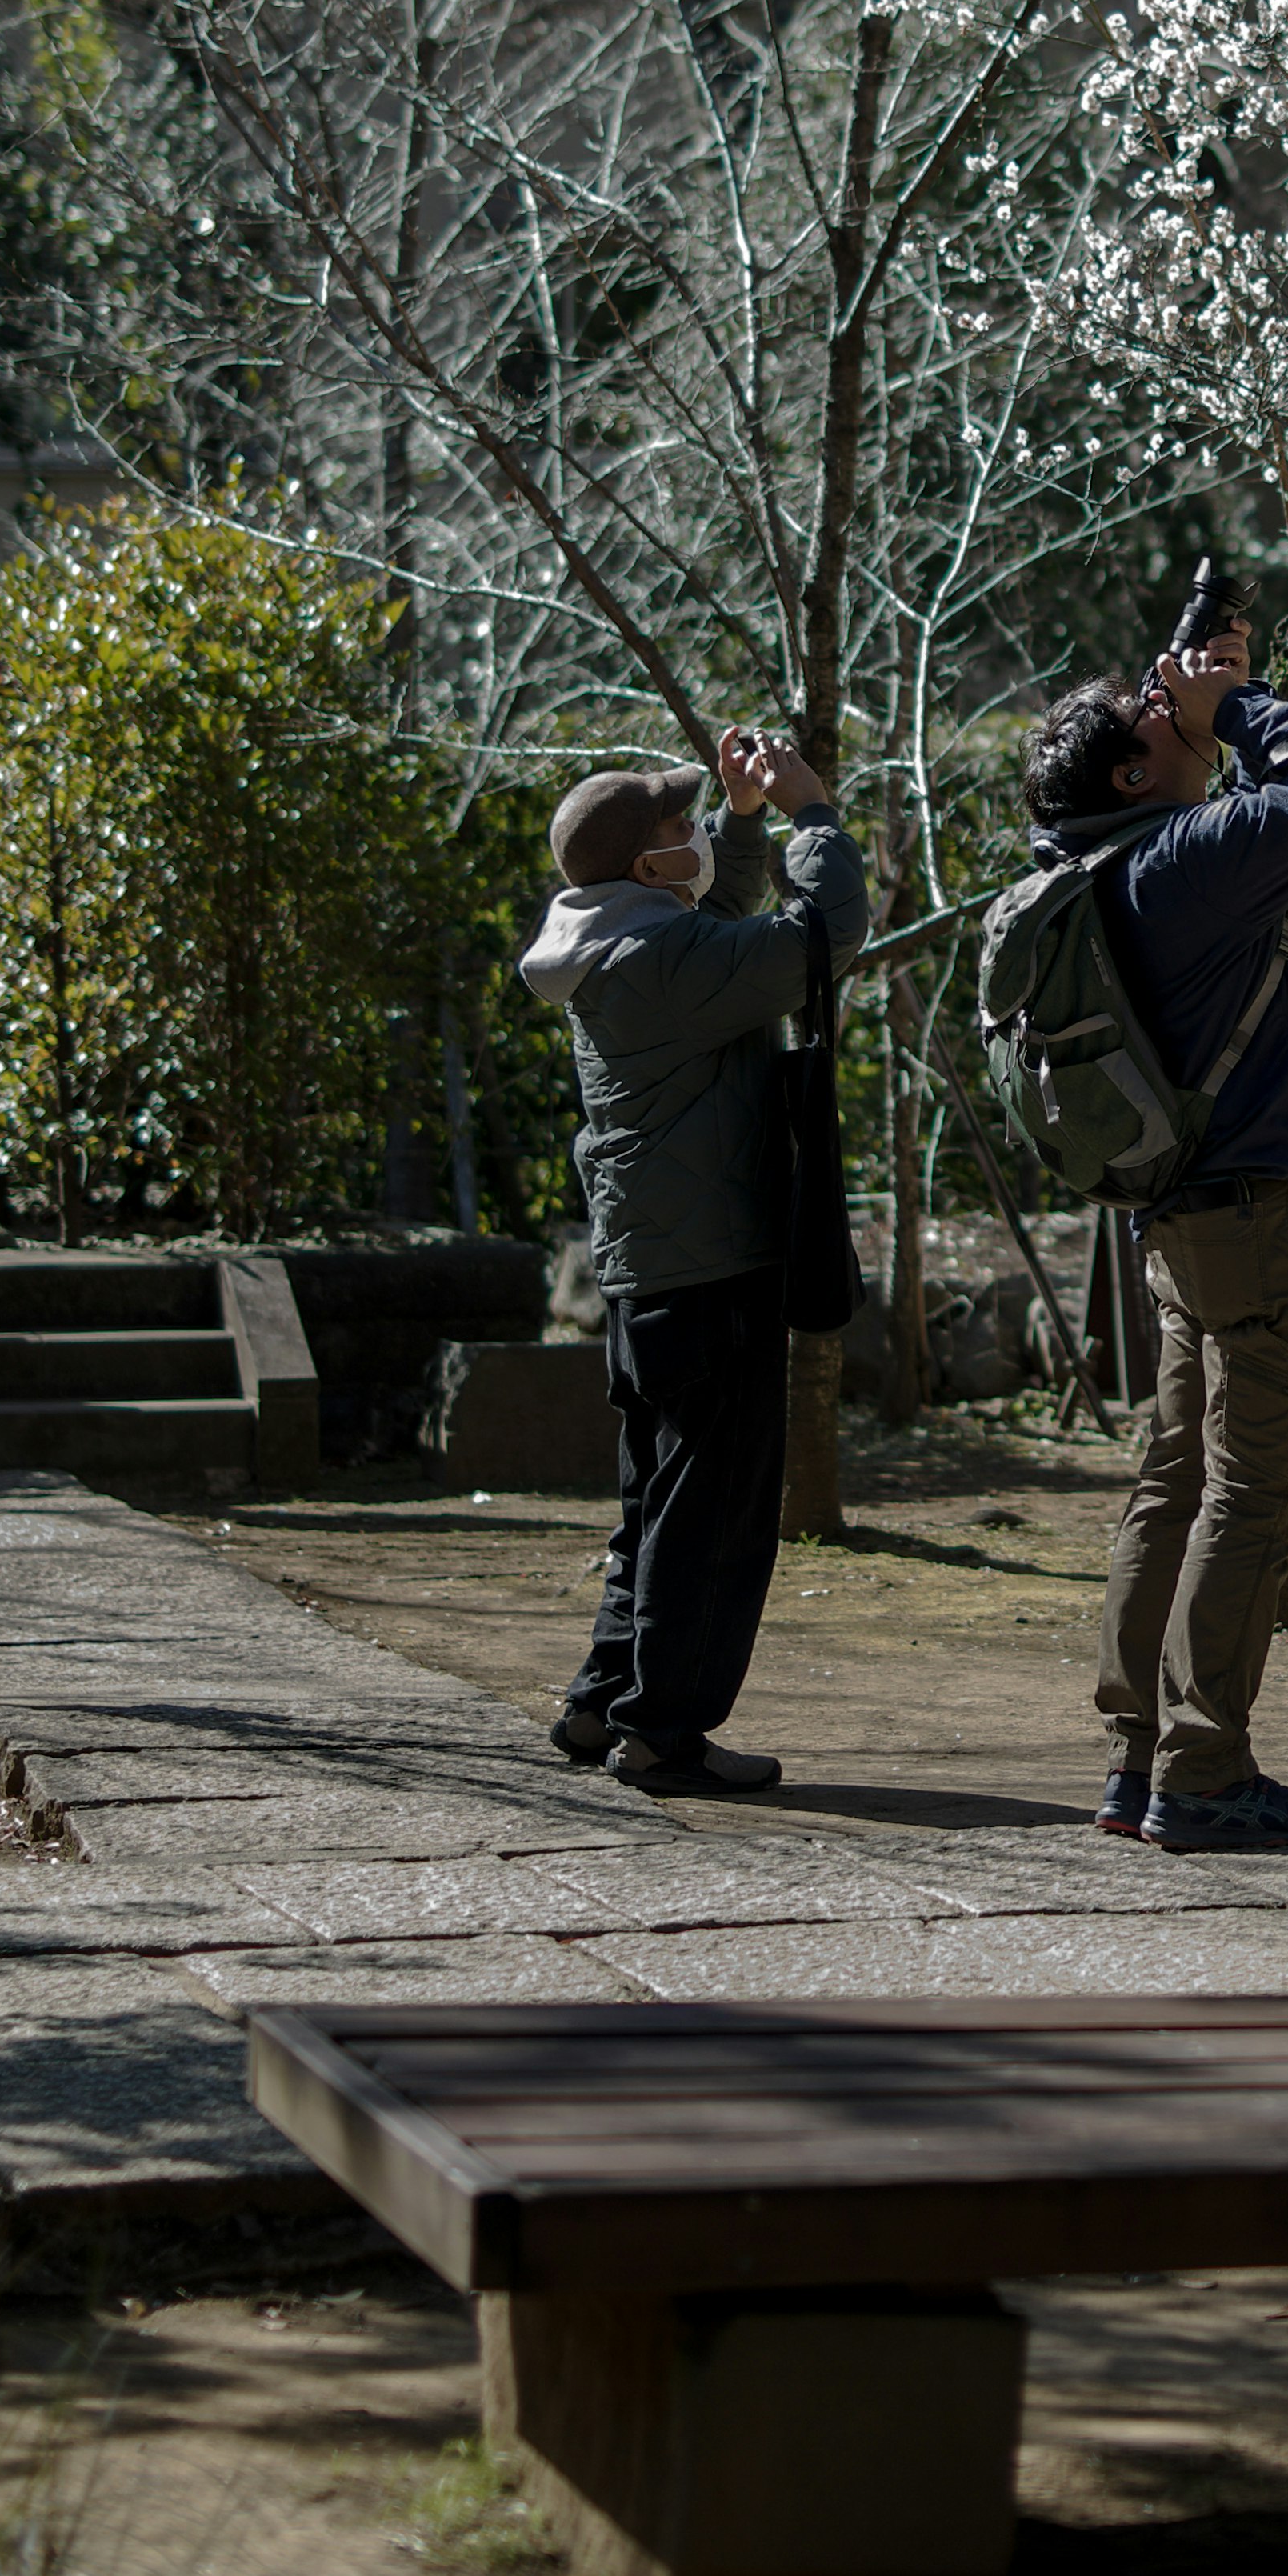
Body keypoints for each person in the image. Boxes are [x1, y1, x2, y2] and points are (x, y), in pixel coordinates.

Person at [1022, 614, 1288, 1850]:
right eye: (1149, 718)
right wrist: (1234, 707)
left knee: (1174, 1486)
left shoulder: (1110, 872)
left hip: (1198, 1223)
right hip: (1272, 1220)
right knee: (1260, 1500)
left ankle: (1140, 1759)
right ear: (1133, 775)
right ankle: (1204, 1773)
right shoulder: (1181, 864)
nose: (1166, 707)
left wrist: (1202, 706)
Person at [520, 724, 867, 1794]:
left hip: (649, 1271)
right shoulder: (666, 959)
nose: (692, 833)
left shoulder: (614, 941)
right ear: (646, 865)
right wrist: (813, 814)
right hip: (713, 1270)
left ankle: (600, 1702)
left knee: (656, 1503)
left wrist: (740, 819)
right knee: (711, 1513)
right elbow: (821, 937)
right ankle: (664, 1733)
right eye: (679, 825)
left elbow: (717, 912)